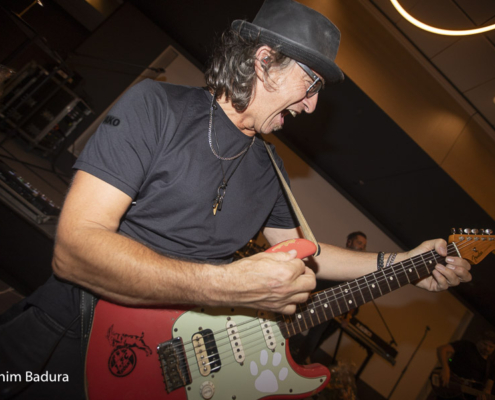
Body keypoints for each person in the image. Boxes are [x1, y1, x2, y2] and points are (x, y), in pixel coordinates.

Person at [0, 0, 472, 398]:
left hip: (161, 366)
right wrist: (227, 285)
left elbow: (310, 254)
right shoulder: (156, 107)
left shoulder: (270, 168)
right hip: (66, 334)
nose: (312, 105)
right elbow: (75, 250)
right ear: (265, 62)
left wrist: (403, 263)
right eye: (311, 84)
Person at [293, 231, 368, 364]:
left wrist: (348, 315)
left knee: (314, 336)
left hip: (329, 307)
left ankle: (298, 362)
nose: (361, 247)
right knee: (291, 325)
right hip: (312, 298)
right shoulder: (337, 256)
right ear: (349, 242)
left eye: (364, 245)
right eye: (359, 243)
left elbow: (355, 295)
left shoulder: (358, 269)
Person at [435, 332, 495, 400]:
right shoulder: (466, 346)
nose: (487, 348)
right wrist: (445, 368)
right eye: (485, 344)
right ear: (479, 340)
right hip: (449, 389)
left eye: (491, 347)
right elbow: (442, 349)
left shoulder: (491, 366)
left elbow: (487, 389)